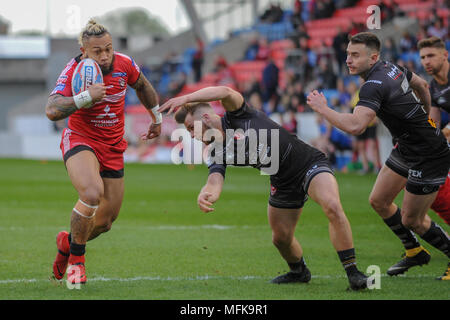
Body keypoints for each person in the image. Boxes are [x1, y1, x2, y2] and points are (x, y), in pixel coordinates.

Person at [159, 86, 369, 290]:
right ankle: (299, 272)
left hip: (307, 163)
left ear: (204, 119)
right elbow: (215, 180)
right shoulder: (215, 149)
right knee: (281, 238)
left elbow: (224, 91)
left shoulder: (238, 113)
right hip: (281, 181)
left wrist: (185, 98)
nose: (192, 135)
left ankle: (353, 273)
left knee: (331, 205)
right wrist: (207, 194)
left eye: (190, 128)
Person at [307, 32, 450, 280]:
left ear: (373, 58)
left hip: (428, 154)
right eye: (348, 54)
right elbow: (423, 86)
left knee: (412, 219)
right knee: (379, 201)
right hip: (407, 146)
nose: (348, 60)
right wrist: (425, 118)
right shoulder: (391, 67)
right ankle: (414, 250)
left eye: (355, 55)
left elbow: (355, 126)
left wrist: (323, 108)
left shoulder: (373, 85)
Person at [45, 19, 162, 285]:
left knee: (106, 220)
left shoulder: (124, 63)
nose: (105, 55)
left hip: (112, 145)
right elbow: (52, 110)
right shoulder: (74, 69)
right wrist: (85, 96)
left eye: (108, 48)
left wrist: (155, 118)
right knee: (91, 193)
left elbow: (142, 85)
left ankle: (67, 243)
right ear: (84, 52)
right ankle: (77, 263)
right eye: (98, 51)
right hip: (81, 138)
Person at [418, 36, 450, 233]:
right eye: (422, 57)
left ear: (445, 55)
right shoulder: (434, 87)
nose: (426, 61)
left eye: (431, 55)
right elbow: (433, 124)